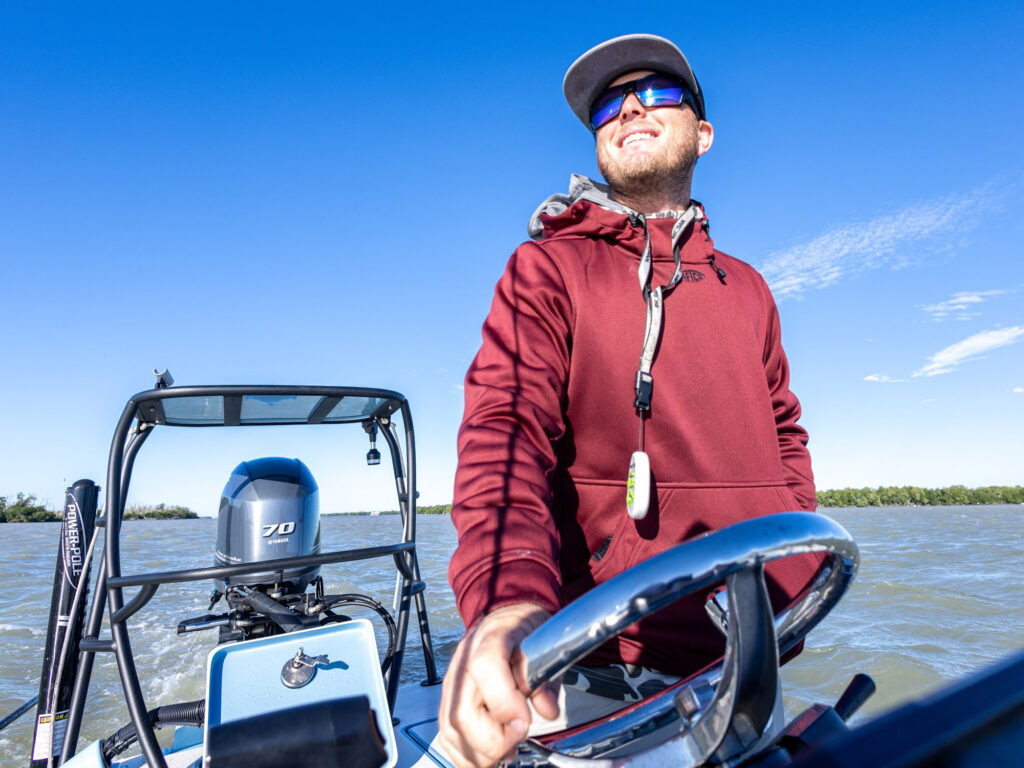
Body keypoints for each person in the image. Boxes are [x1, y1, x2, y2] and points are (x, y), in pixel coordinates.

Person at [438, 34, 819, 768]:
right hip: (605, 671)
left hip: (750, 658)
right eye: (610, 103)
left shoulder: (750, 288)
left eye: (659, 92)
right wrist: (506, 598)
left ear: (703, 134)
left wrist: (790, 570)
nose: (631, 107)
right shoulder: (545, 269)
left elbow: (786, 432)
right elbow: (503, 430)